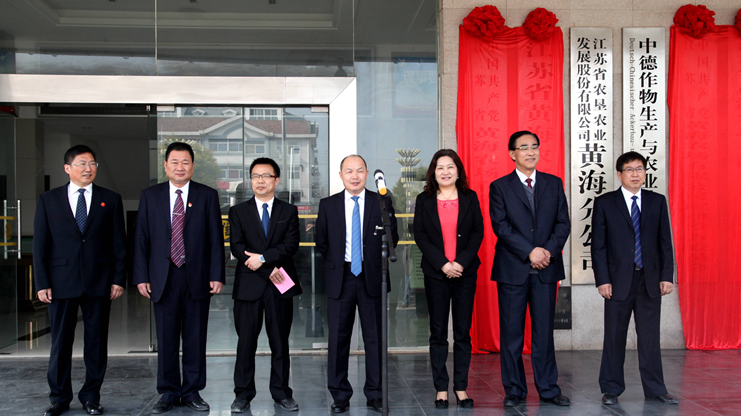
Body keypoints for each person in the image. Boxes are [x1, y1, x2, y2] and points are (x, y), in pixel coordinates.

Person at [33, 145, 126, 416]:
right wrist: (42, 282)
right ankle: (59, 398)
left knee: (96, 344)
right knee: (60, 343)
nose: (88, 168)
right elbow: (40, 245)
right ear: (67, 168)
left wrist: (118, 279)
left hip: (99, 281)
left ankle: (91, 397)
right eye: (82, 163)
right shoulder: (48, 200)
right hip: (60, 281)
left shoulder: (110, 199)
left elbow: (119, 243)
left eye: (92, 163)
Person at [133, 142, 225, 414]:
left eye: (185, 162)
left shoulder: (206, 195)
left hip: (197, 276)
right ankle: (169, 392)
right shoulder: (150, 196)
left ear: (192, 166)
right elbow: (141, 238)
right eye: (174, 162)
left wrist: (216, 274)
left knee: (195, 337)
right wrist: (141, 276)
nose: (180, 167)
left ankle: (192, 391)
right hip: (162, 277)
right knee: (166, 337)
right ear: (165, 165)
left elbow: (215, 239)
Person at [489, 131, 571, 407]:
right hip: (513, 270)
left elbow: (563, 223)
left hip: (546, 270)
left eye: (534, 146)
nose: (530, 152)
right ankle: (514, 390)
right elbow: (501, 226)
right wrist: (529, 252)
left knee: (544, 335)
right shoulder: (500, 186)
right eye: (523, 147)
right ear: (512, 154)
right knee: (511, 334)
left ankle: (548, 389)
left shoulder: (553, 183)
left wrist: (546, 251)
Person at [591, 151, 678, 405]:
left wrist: (667, 275)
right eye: (629, 170)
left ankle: (656, 389)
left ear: (645, 173)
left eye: (639, 169)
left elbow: (665, 242)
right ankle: (611, 389)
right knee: (614, 336)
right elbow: (598, 246)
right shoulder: (605, 203)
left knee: (650, 338)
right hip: (617, 281)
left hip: (649, 280)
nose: (635, 174)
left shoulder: (656, 201)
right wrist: (603, 280)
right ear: (619, 175)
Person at [315, 155, 399, 414]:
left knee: (375, 338)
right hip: (341, 278)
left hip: (372, 277)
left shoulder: (381, 201)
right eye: (349, 171)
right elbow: (322, 242)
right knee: (338, 339)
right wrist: (339, 263)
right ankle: (340, 395)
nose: (354, 176)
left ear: (366, 174)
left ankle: (375, 394)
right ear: (340, 175)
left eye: (359, 170)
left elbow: (393, 235)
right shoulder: (328, 204)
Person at [228, 158, 302, 413]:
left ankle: (281, 393)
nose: (260, 180)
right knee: (245, 343)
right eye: (255, 176)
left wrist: (261, 259)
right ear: (251, 180)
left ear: (276, 180)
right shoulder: (238, 211)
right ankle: (242, 394)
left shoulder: (288, 211)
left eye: (266, 176)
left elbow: (290, 246)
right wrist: (261, 265)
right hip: (248, 286)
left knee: (280, 342)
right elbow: (236, 246)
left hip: (279, 284)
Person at [413, 149, 484, 409]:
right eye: (440, 167)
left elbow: (478, 231)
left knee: (463, 333)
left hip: (465, 273)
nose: (445, 172)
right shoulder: (424, 200)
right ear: (433, 172)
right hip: (436, 273)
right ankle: (441, 388)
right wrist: (443, 264)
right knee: (438, 333)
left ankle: (461, 388)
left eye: (450, 167)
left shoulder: (469, 197)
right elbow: (420, 234)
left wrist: (460, 263)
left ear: (458, 171)